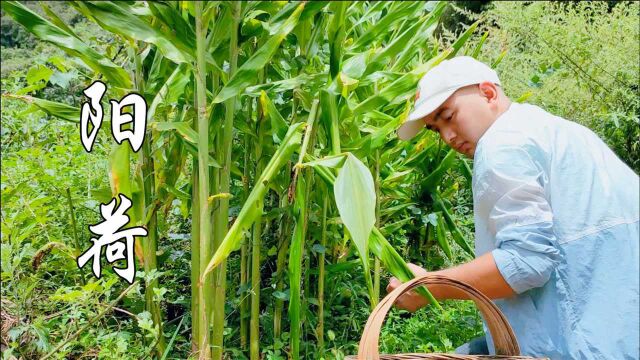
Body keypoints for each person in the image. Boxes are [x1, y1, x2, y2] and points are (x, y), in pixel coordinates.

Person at [389, 56, 640, 359]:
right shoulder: (565, 134)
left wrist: (430, 286)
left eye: (449, 115)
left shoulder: (501, 145)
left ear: (489, 93)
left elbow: (526, 263)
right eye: (435, 129)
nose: (448, 137)